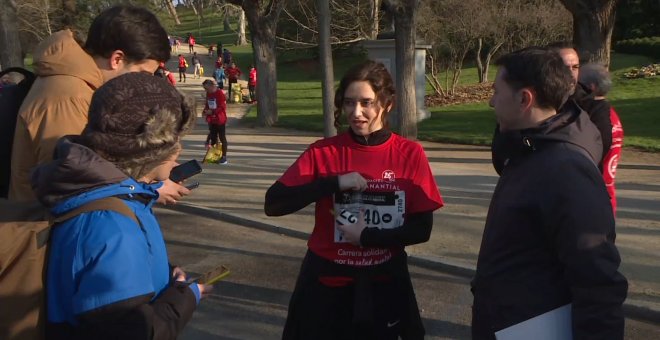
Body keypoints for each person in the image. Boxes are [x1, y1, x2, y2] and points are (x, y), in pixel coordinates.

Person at [265, 60, 444, 339]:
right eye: (349, 103)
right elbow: (274, 204)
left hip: (383, 281)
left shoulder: (410, 154)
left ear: (386, 104)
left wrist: (367, 236)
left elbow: (422, 229)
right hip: (326, 281)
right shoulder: (323, 152)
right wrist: (333, 183)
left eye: (366, 103)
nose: (356, 113)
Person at [31, 72, 211, 339]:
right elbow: (130, 330)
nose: (179, 151)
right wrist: (184, 300)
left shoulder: (120, 196)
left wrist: (165, 274)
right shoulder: (111, 227)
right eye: (175, 141)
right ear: (150, 148)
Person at [471, 47, 628, 339]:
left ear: (524, 99)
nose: (491, 101)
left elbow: (597, 282)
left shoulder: (565, 169)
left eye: (496, 91)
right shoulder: (527, 150)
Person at [10, 5, 189, 205]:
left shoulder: (81, 86)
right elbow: (76, 180)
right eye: (144, 74)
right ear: (117, 59)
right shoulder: (69, 96)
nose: (146, 85)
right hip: (48, 228)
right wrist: (149, 187)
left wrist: (154, 164)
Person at [548, 41, 613, 169]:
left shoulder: (594, 106)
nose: (571, 73)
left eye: (575, 67)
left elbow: (598, 149)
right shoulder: (534, 102)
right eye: (565, 67)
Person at [579, 63, 624, 215]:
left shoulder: (599, 119)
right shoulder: (611, 115)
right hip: (605, 193)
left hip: (595, 196)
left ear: (591, 87)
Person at [202, 79, 228, 164]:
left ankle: (224, 157)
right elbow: (207, 104)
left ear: (211, 86)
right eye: (205, 89)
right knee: (213, 137)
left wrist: (213, 111)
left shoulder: (219, 93)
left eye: (207, 88)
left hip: (220, 119)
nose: (206, 90)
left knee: (222, 137)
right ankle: (213, 155)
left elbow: (222, 106)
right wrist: (205, 111)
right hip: (212, 119)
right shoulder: (208, 93)